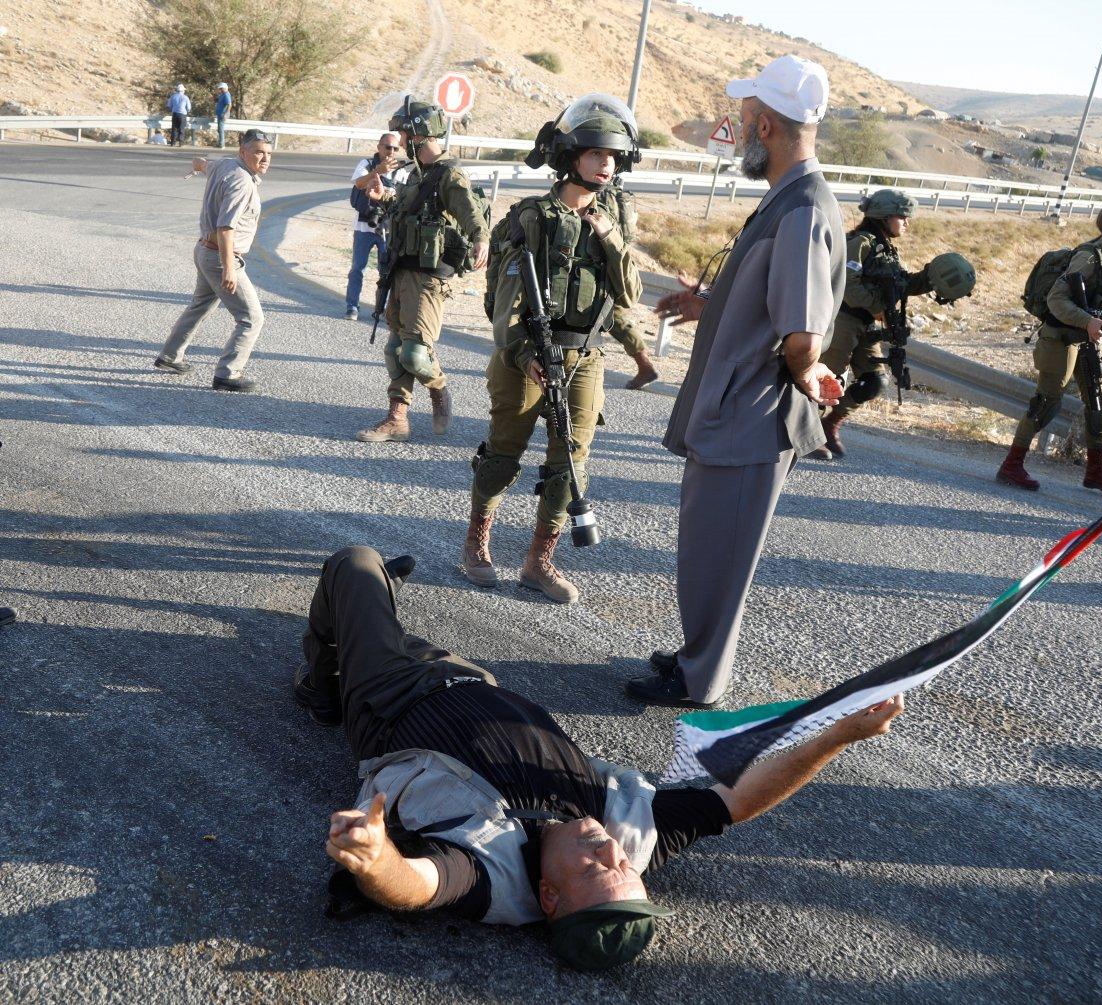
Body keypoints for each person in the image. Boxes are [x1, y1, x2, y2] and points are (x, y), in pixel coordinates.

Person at [294, 545, 904, 971]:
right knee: (381, 619)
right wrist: (838, 737)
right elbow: (738, 802)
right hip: (473, 681)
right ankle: (374, 613)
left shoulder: (493, 877)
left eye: (592, 870)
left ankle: (322, 686)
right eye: (624, 866)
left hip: (390, 701)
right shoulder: (625, 843)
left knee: (353, 566)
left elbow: (418, 886)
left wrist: (375, 862)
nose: (607, 849)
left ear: (550, 899)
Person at [627, 55, 846, 709]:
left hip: (753, 418)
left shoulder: (803, 209)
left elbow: (802, 331)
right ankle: (699, 654)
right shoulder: (788, 200)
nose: (741, 129)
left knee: (721, 555)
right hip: (734, 412)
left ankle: (701, 680)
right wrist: (709, 306)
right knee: (706, 546)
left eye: (746, 119)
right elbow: (770, 301)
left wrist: (809, 370)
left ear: (766, 125)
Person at [462, 94, 643, 603]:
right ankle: (477, 544)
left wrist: (608, 237)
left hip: (585, 356)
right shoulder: (530, 218)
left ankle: (539, 561)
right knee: (502, 455)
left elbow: (629, 293)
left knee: (570, 465)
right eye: (594, 154)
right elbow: (501, 308)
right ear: (570, 158)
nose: (606, 164)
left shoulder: (616, 215)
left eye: (612, 156)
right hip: (524, 356)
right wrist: (527, 358)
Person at [356, 97, 489, 443]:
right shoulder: (418, 175)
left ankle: (439, 388)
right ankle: (397, 418)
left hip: (429, 278)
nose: (399, 141)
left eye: (403, 133)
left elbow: (468, 211)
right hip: (400, 269)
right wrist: (384, 196)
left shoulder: (448, 175)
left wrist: (481, 238)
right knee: (393, 348)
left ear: (417, 136)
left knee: (415, 354)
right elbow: (405, 208)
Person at [996, 197, 1102, 494]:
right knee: (1047, 401)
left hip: (1093, 342)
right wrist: (1086, 321)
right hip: (1062, 337)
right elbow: (1056, 298)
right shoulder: (1088, 257)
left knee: (1101, 403)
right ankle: (1011, 465)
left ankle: (1095, 471)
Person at [815, 190, 932, 458]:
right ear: (884, 216)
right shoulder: (861, 243)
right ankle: (801, 434)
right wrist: (878, 308)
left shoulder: (887, 250)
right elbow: (848, 286)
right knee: (824, 381)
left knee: (875, 381)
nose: (906, 223)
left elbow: (899, 285)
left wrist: (930, 279)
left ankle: (830, 423)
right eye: (902, 217)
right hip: (843, 320)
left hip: (866, 325)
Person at [155, 129, 273, 392]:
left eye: (268, 154)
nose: (264, 159)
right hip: (221, 256)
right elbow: (226, 227)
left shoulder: (226, 164)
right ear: (243, 152)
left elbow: (204, 164)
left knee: (200, 305)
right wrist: (229, 268)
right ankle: (227, 375)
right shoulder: (242, 182)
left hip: (204, 251)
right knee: (251, 318)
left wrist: (197, 165)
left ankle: (170, 357)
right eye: (258, 152)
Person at [598, 180, 659, 389]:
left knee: (613, 315)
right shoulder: (620, 195)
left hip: (603, 260)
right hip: (620, 257)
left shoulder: (598, 195)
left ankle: (645, 365)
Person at [344, 132, 406, 322]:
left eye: (395, 148)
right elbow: (359, 183)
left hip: (387, 229)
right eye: (387, 147)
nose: (391, 151)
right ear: (379, 147)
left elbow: (403, 200)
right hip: (364, 226)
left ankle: (382, 310)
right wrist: (377, 171)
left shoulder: (402, 172)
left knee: (385, 272)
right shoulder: (366, 164)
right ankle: (352, 307)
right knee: (357, 269)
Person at [214, 83, 232, 150]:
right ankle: (220, 143)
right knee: (219, 129)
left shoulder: (226, 95)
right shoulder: (222, 95)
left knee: (221, 129)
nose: (220, 90)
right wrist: (215, 98)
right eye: (220, 89)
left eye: (221, 88)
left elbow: (229, 104)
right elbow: (218, 101)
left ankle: (222, 144)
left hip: (223, 114)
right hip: (220, 114)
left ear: (225, 88)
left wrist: (226, 113)